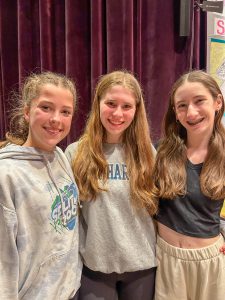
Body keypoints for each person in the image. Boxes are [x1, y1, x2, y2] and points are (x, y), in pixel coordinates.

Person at [65, 70, 158, 300]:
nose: (118, 113)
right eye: (111, 103)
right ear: (98, 104)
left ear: (137, 110)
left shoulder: (148, 154)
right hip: (95, 267)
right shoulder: (76, 153)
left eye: (127, 106)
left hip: (141, 266)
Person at [0, 72, 82, 300]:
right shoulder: (6, 174)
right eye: (46, 108)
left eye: (65, 111)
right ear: (27, 111)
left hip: (69, 290)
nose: (56, 119)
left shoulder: (61, 157)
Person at [153, 70, 225, 300]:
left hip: (210, 263)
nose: (190, 112)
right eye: (182, 105)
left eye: (199, 101)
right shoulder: (160, 152)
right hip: (166, 260)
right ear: (175, 112)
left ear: (217, 102)